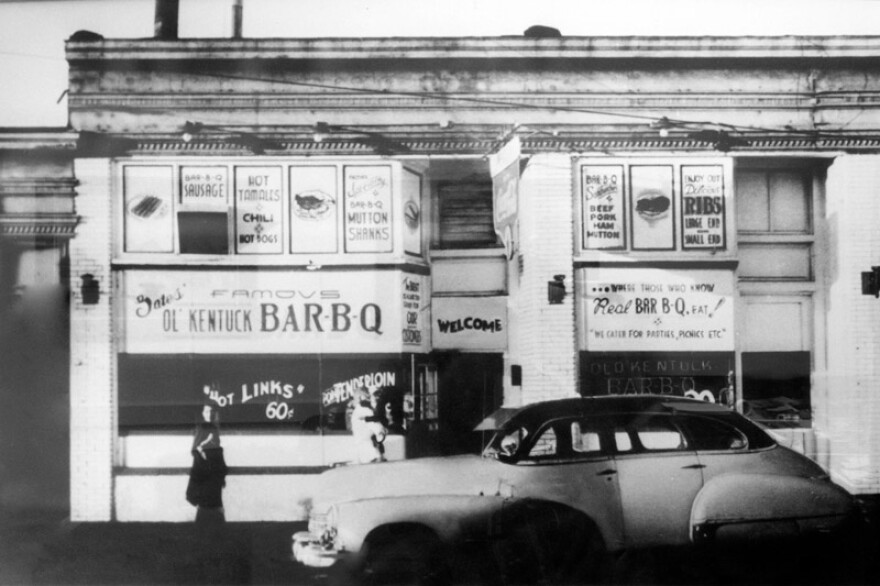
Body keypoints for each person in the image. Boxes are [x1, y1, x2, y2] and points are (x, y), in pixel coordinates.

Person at [186, 402, 228, 528]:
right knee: (208, 506)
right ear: (202, 414)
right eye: (206, 412)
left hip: (212, 468)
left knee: (213, 505)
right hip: (205, 470)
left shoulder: (213, 429)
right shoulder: (202, 428)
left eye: (210, 412)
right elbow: (195, 449)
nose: (208, 414)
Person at [349, 386, 386, 463]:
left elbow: (378, 430)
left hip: (369, 454)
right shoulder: (364, 411)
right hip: (369, 453)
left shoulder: (361, 411)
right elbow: (379, 431)